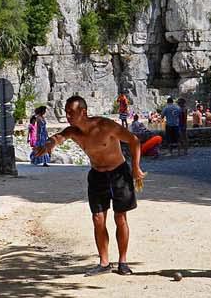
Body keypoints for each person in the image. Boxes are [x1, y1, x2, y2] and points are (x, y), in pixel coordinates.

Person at [32, 96, 144, 276]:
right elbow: (58, 138)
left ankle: (123, 261)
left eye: (71, 112)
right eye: (66, 112)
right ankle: (104, 262)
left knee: (120, 217)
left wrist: (136, 168)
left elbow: (133, 140)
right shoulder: (74, 132)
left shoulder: (105, 126)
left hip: (118, 173)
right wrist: (46, 146)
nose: (68, 115)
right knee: (98, 219)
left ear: (83, 112)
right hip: (97, 175)